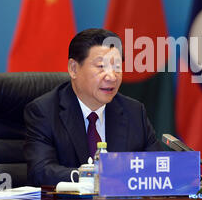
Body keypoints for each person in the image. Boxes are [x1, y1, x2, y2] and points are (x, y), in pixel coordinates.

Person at [24, 28, 162, 186]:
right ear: (73, 69)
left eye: (117, 67)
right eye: (101, 66)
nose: (111, 77)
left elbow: (157, 166)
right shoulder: (44, 112)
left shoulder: (134, 111)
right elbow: (41, 172)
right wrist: (98, 176)